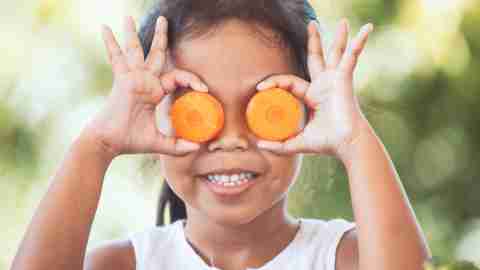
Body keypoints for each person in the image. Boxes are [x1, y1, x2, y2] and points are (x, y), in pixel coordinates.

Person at [10, 0, 432, 269]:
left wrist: (355, 141)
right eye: (195, 105)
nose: (230, 138)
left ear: (309, 111)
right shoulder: (123, 265)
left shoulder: (346, 258)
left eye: (264, 105)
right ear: (150, 115)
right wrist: (96, 145)